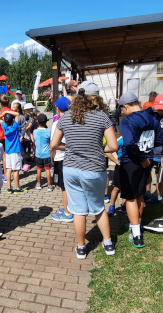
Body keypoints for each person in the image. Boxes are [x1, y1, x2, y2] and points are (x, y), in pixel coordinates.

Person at [51, 81, 118, 259]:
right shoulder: (102, 117)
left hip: (71, 169)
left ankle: (81, 247)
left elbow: (54, 144)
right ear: (96, 97)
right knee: (98, 208)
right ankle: (108, 244)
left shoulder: (65, 117)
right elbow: (113, 146)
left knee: (78, 210)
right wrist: (95, 148)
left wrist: (72, 148)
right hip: (94, 169)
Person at [118, 92, 163, 248]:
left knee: (131, 197)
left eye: (122, 109)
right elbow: (160, 140)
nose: (122, 112)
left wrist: (141, 158)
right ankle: (135, 225)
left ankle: (137, 234)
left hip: (131, 161)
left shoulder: (126, 121)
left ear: (125, 106)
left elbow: (130, 144)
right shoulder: (153, 118)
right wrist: (146, 155)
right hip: (147, 160)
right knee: (140, 194)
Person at [143, 93, 163, 204]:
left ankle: (158, 195)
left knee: (159, 174)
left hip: (160, 152)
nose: (160, 111)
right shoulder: (151, 113)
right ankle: (147, 193)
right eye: (158, 108)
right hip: (148, 150)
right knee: (147, 173)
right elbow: (141, 114)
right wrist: (152, 108)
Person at [50, 97, 73, 222]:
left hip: (60, 157)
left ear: (58, 109)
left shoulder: (57, 123)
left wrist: (52, 158)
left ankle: (68, 212)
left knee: (64, 187)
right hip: (72, 158)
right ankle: (69, 207)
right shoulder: (74, 120)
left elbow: (53, 143)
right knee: (70, 186)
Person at [0, 108, 26, 194]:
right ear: (13, 120)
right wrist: (6, 112)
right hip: (16, 150)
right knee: (16, 170)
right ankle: (17, 188)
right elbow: (17, 114)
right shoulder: (15, 126)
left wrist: (3, 115)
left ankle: (9, 188)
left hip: (8, 151)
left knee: (8, 169)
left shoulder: (4, 126)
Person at [33, 113, 53, 191]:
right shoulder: (48, 131)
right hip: (47, 154)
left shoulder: (35, 131)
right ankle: (49, 185)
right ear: (46, 122)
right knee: (47, 169)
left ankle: (38, 184)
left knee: (39, 169)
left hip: (38, 153)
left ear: (38, 121)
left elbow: (34, 140)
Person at [106, 136, 125, 216]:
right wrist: (116, 162)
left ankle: (124, 206)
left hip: (131, 166)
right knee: (116, 187)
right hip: (121, 166)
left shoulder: (136, 137)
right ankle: (112, 206)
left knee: (126, 188)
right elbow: (107, 151)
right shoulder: (121, 140)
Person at [11, 102, 29, 171]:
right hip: (14, 136)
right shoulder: (12, 116)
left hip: (19, 136)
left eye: (14, 107)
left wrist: (21, 136)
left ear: (18, 109)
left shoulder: (21, 117)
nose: (12, 108)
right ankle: (18, 163)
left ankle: (25, 163)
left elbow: (23, 127)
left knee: (22, 150)